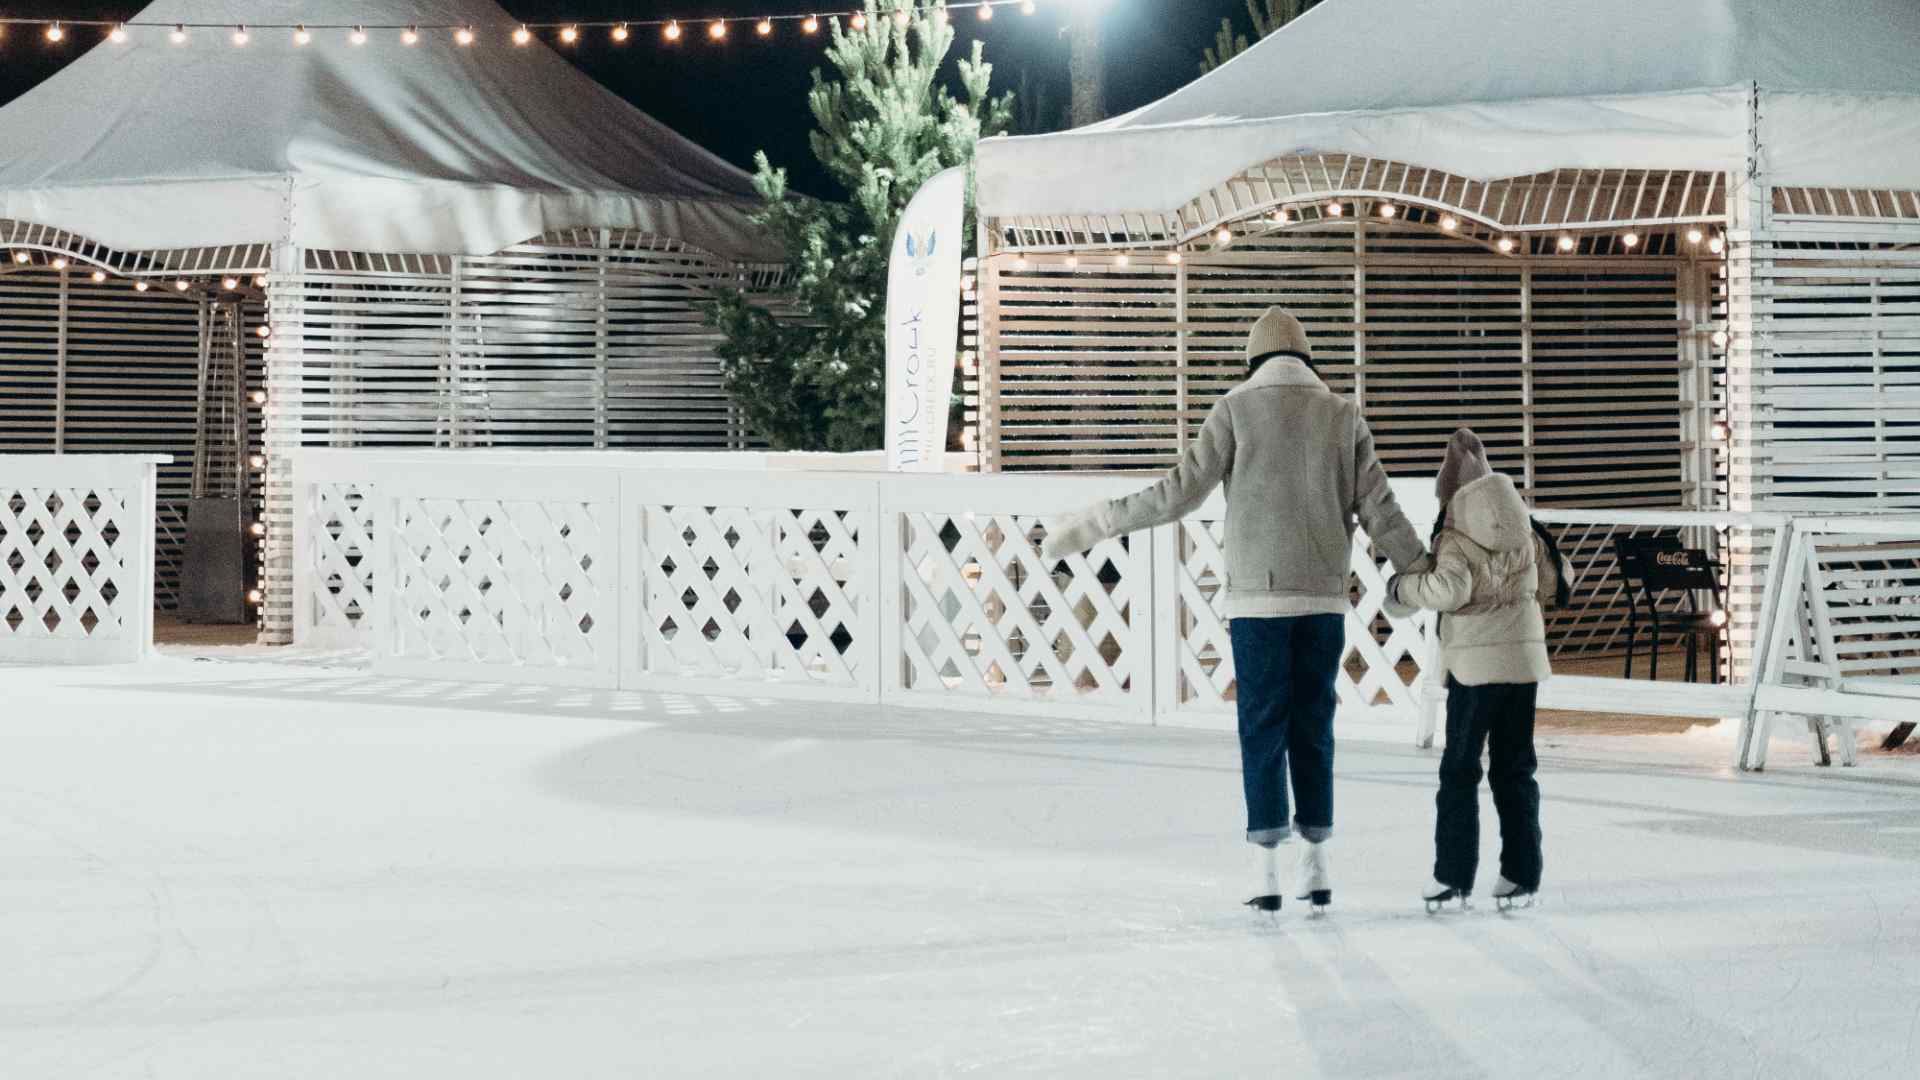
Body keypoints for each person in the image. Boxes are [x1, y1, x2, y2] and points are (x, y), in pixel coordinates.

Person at [1042, 306, 1425, 914]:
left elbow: (1177, 494)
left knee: (1262, 730)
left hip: (1257, 601)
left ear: (1253, 361)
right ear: (1307, 358)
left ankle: (1267, 871)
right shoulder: (1341, 415)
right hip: (1324, 599)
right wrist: (1422, 572)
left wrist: (1093, 524)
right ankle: (1317, 864)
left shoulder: (1234, 409)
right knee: (1313, 728)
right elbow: (1382, 510)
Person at [1385, 429, 1567, 913]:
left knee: (1461, 770)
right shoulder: (1522, 525)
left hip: (1474, 669)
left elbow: (1448, 591)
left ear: (1451, 494)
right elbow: (1553, 580)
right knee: (1515, 769)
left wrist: (1403, 590)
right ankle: (1521, 874)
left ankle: (1453, 876)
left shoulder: (1457, 533)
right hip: (1524, 667)